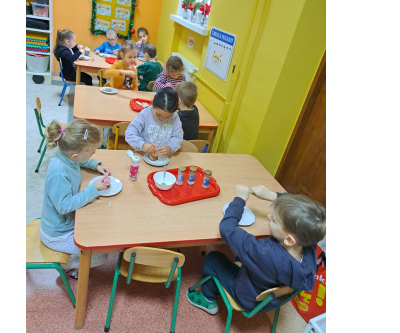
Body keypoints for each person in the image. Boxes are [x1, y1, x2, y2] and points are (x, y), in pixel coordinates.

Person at [186, 184, 326, 315]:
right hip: (270, 300)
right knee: (241, 253)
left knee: (213, 258)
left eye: (274, 220)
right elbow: (298, 205)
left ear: (289, 240)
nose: (269, 216)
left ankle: (208, 299)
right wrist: (270, 195)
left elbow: (226, 228)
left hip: (246, 296)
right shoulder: (309, 244)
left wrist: (240, 199)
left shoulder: (262, 251)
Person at [39, 119, 112, 280]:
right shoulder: (59, 172)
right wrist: (93, 189)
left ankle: (72, 259)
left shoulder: (67, 157)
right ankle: (67, 266)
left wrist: (95, 165)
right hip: (57, 234)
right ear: (75, 155)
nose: (93, 154)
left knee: (98, 226)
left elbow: (80, 160)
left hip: (65, 222)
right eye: (92, 152)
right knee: (101, 255)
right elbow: (64, 206)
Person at [125, 87, 184, 159]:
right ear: (153, 105)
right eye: (158, 115)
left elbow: (177, 137)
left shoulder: (175, 116)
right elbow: (129, 133)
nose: (162, 119)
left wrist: (170, 147)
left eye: (168, 117)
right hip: (143, 155)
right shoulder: (145, 114)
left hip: (164, 158)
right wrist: (142, 145)